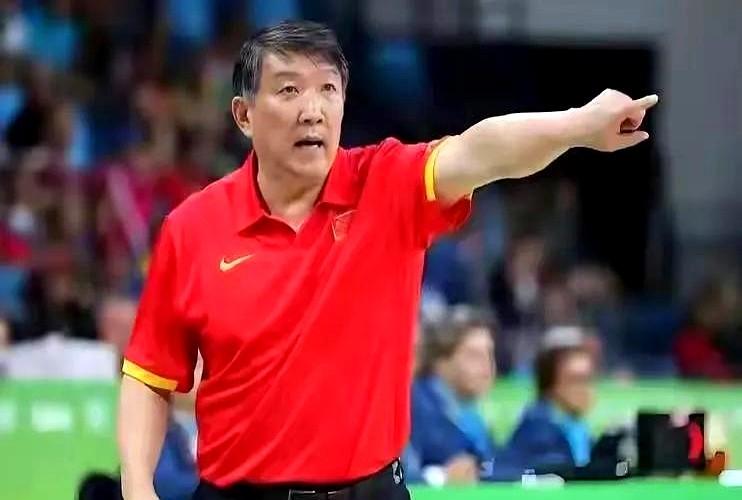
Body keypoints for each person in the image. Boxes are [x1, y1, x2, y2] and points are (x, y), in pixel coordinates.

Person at [117, 20, 658, 500]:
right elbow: (148, 375)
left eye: (329, 89)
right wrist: (138, 488)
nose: (313, 110)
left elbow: (483, 150)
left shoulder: (388, 184)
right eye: (289, 90)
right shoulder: (192, 228)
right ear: (244, 115)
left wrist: (578, 126)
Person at [406, 306, 497, 486]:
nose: (487, 367)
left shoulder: (473, 417)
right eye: (474, 355)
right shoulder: (414, 408)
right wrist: (441, 477)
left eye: (490, 354)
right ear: (441, 361)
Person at [502, 342, 595, 475]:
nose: (585, 389)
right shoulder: (538, 429)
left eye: (588, 379)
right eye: (575, 380)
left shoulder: (576, 426)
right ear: (550, 383)